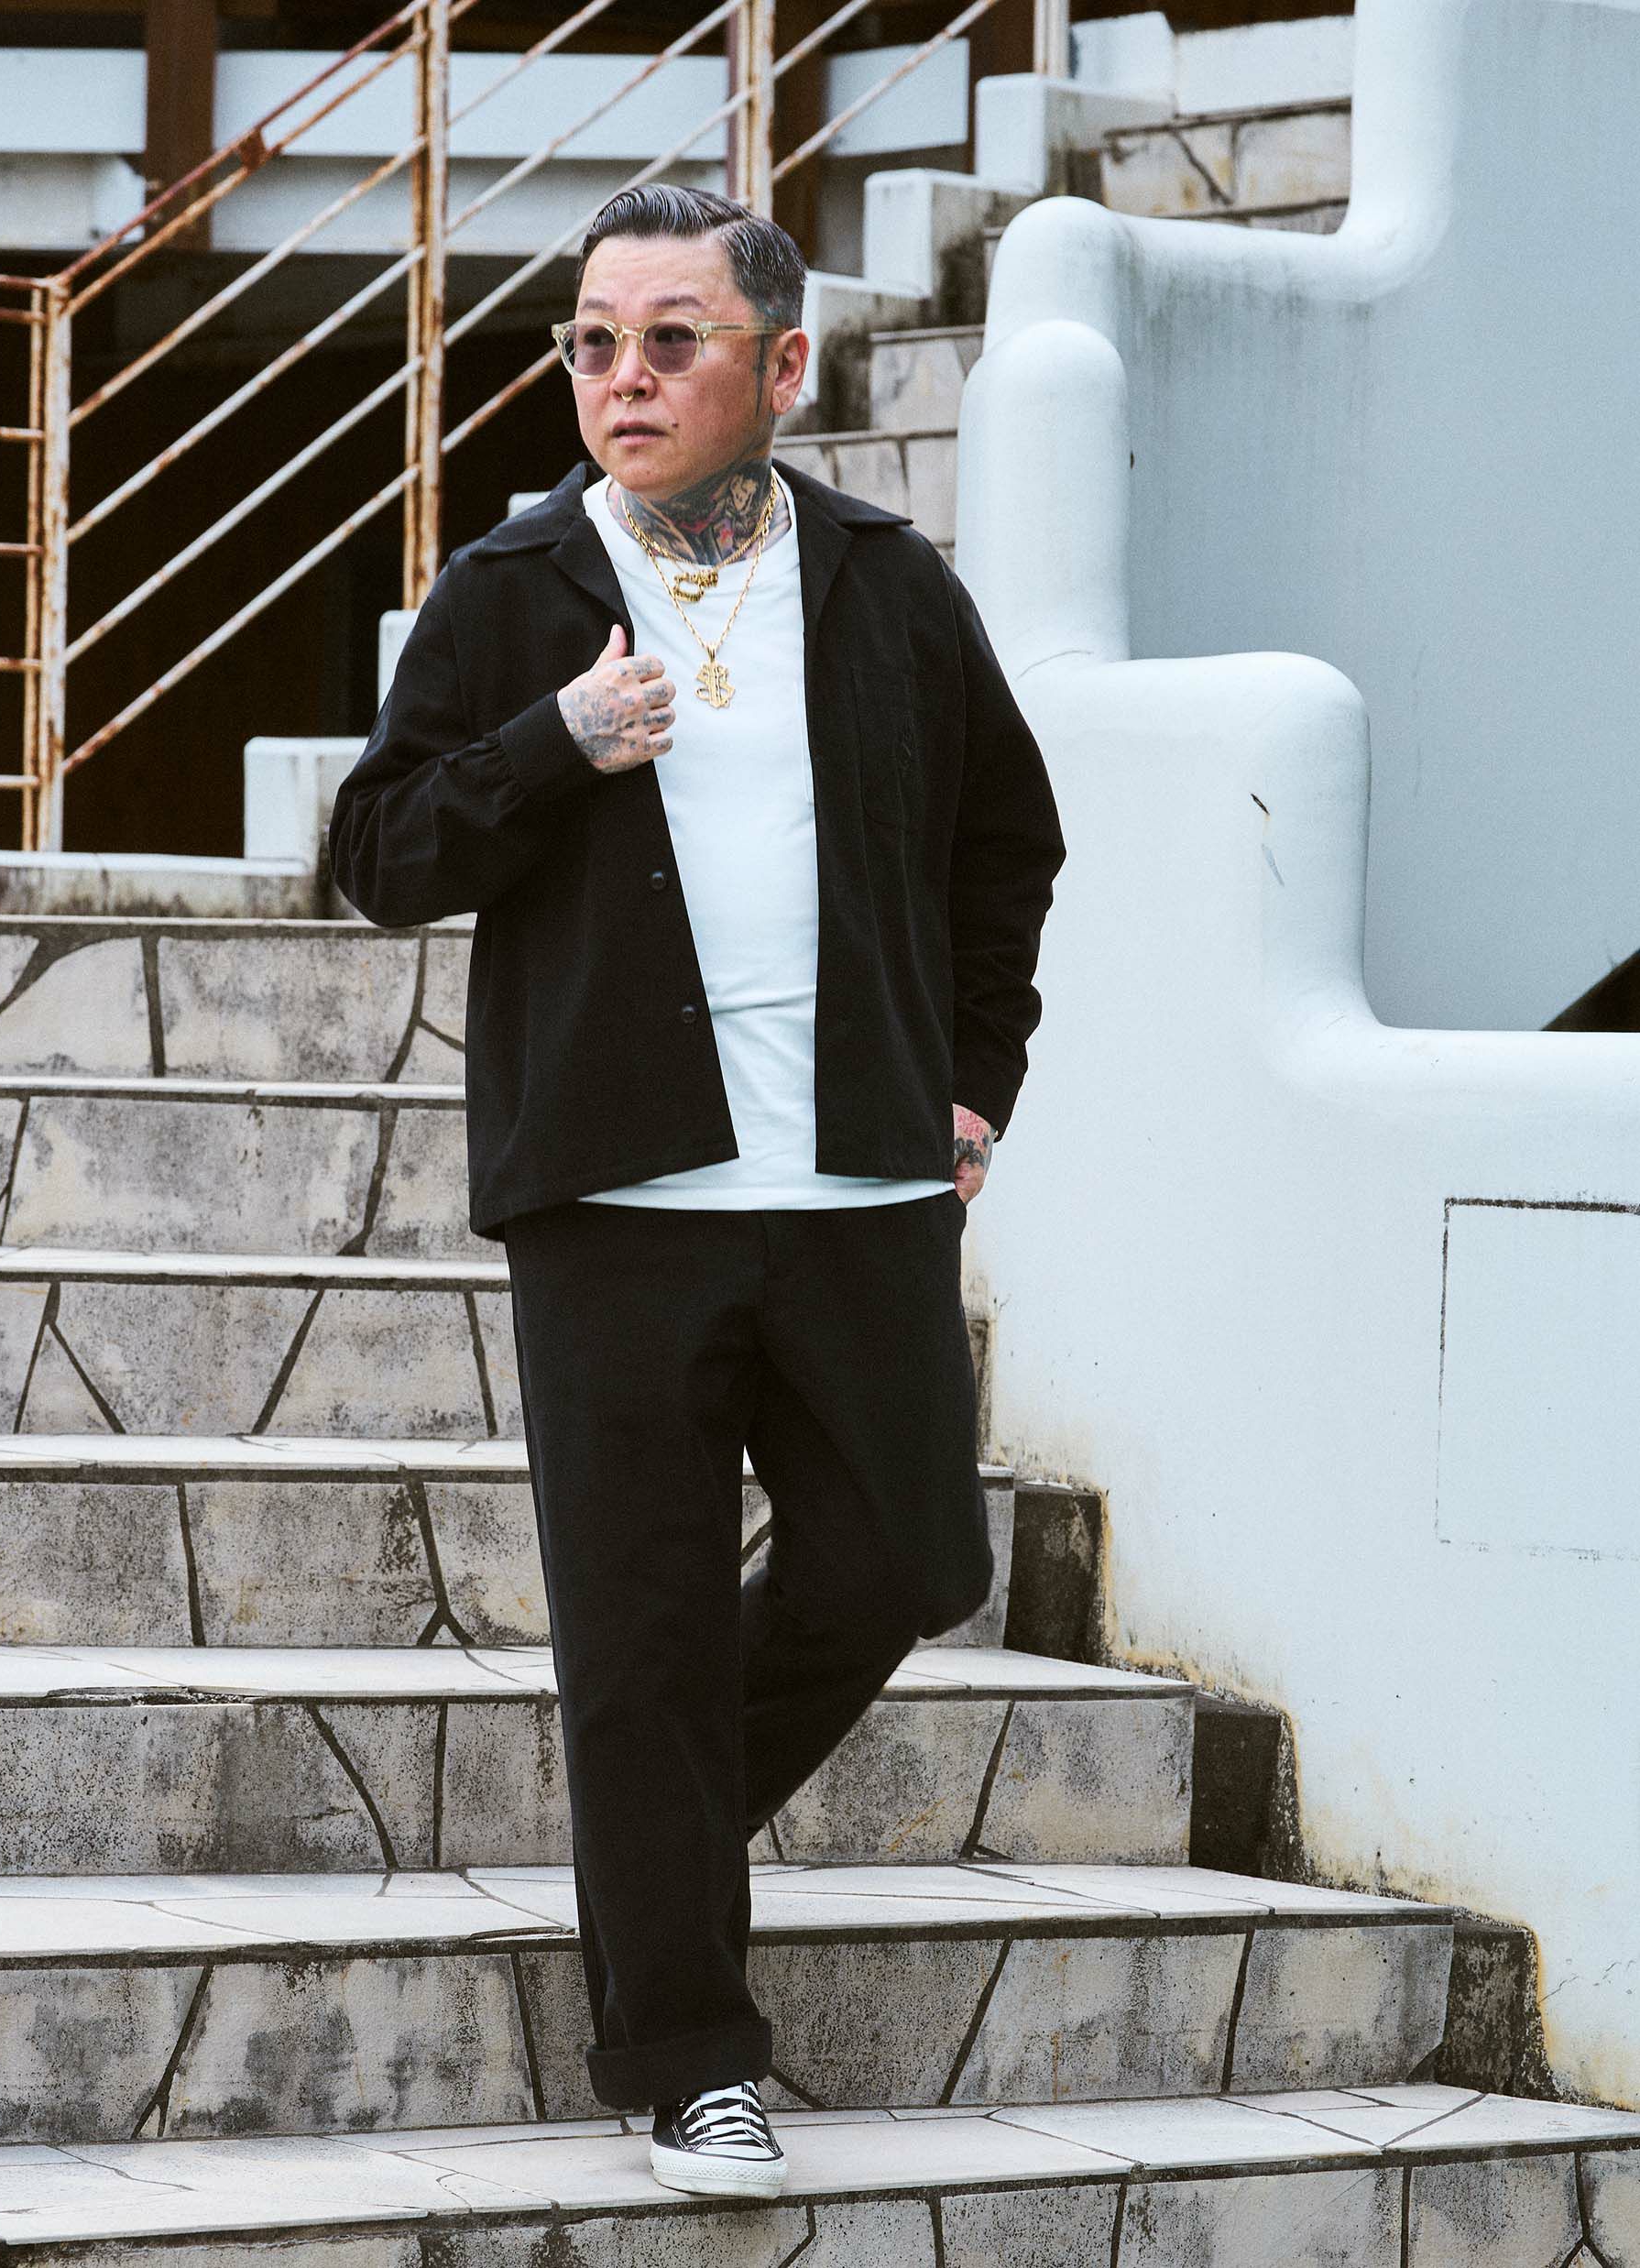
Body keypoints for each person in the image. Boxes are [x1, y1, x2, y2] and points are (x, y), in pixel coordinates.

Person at [329, 183, 1065, 2201]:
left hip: (857, 1180)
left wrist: (974, 1086)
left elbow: (1008, 846)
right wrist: (552, 743)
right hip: (614, 1196)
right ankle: (686, 2060)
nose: (624, 377)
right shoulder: (512, 586)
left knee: (909, 1554)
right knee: (640, 1634)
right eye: (592, 342)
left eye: (672, 340)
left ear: (784, 365)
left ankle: (635, 1843)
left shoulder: (889, 583)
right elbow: (376, 852)